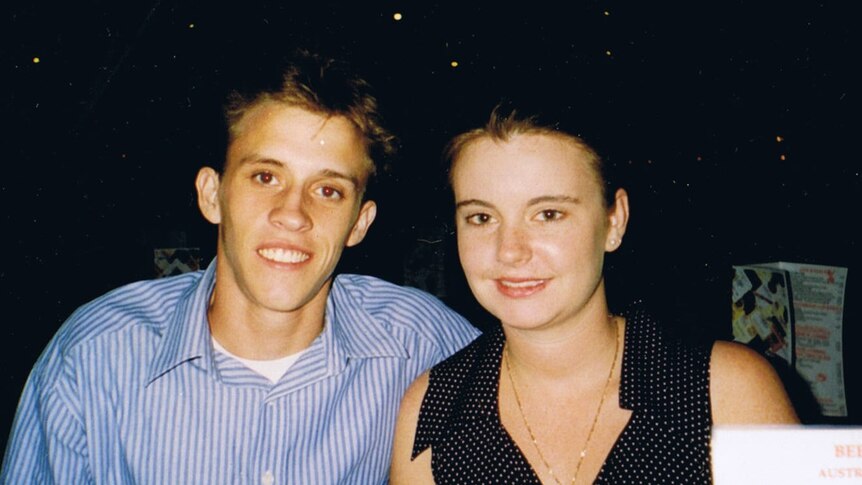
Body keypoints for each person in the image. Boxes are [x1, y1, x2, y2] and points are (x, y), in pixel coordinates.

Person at [1, 51, 479, 484]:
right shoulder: (93, 356)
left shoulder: (422, 342)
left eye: (328, 189)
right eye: (265, 176)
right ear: (213, 195)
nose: (293, 213)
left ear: (360, 223)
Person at [390, 105, 799, 484]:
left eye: (548, 214)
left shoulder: (722, 389)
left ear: (614, 221)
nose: (510, 250)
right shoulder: (434, 410)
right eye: (481, 217)